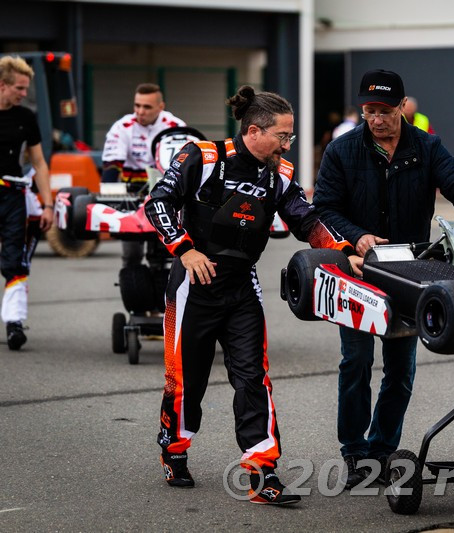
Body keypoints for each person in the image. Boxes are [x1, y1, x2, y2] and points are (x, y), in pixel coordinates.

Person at [145, 86, 360, 505]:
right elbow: (158, 204)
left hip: (243, 287)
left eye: (290, 137)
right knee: (187, 382)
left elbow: (306, 219)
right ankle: (174, 450)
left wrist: (344, 252)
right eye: (283, 136)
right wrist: (185, 250)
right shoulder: (202, 156)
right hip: (194, 286)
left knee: (253, 379)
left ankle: (262, 472)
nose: (287, 144)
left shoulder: (278, 172)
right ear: (254, 130)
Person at [313, 69, 454, 489]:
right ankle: (354, 451)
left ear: (402, 107)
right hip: (359, 271)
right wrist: (355, 237)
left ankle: (383, 449)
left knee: (400, 368)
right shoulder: (341, 151)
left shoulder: (427, 146)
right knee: (357, 360)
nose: (376, 119)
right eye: (368, 111)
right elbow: (324, 208)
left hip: (410, 273)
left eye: (384, 111)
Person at [0, 56, 54, 351]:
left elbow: (39, 162)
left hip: (13, 195)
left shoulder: (25, 118)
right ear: (2, 85)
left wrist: (47, 205)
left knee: (15, 261)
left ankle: (14, 323)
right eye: (20, 88)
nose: (24, 94)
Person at [102, 83, 185, 269]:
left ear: (161, 107)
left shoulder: (177, 126)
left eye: (147, 107)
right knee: (131, 255)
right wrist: (107, 202)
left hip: (165, 191)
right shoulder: (122, 126)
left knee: (164, 256)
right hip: (132, 192)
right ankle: (131, 285)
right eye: (137, 105)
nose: (140, 111)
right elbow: (111, 169)